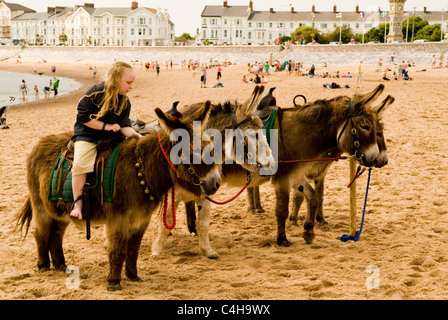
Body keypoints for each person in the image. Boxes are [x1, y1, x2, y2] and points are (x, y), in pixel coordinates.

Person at [69, 61, 142, 220]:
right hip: (88, 135)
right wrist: (106, 127)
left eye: (132, 83)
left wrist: (140, 138)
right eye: (128, 83)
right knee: (81, 163)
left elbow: (125, 126)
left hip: (111, 138)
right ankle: (78, 203)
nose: (131, 87)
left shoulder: (124, 101)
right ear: (116, 80)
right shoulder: (95, 93)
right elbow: (83, 118)